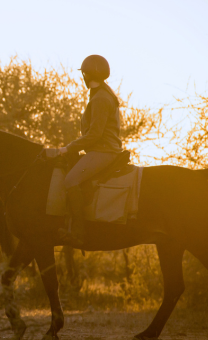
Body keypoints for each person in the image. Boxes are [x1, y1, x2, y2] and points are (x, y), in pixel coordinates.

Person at [57, 55, 123, 247]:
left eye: (83, 74)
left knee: (70, 180)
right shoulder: (101, 93)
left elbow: (95, 135)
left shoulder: (101, 98)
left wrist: (68, 148)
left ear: (86, 74)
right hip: (100, 149)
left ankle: (78, 232)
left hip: (103, 151)